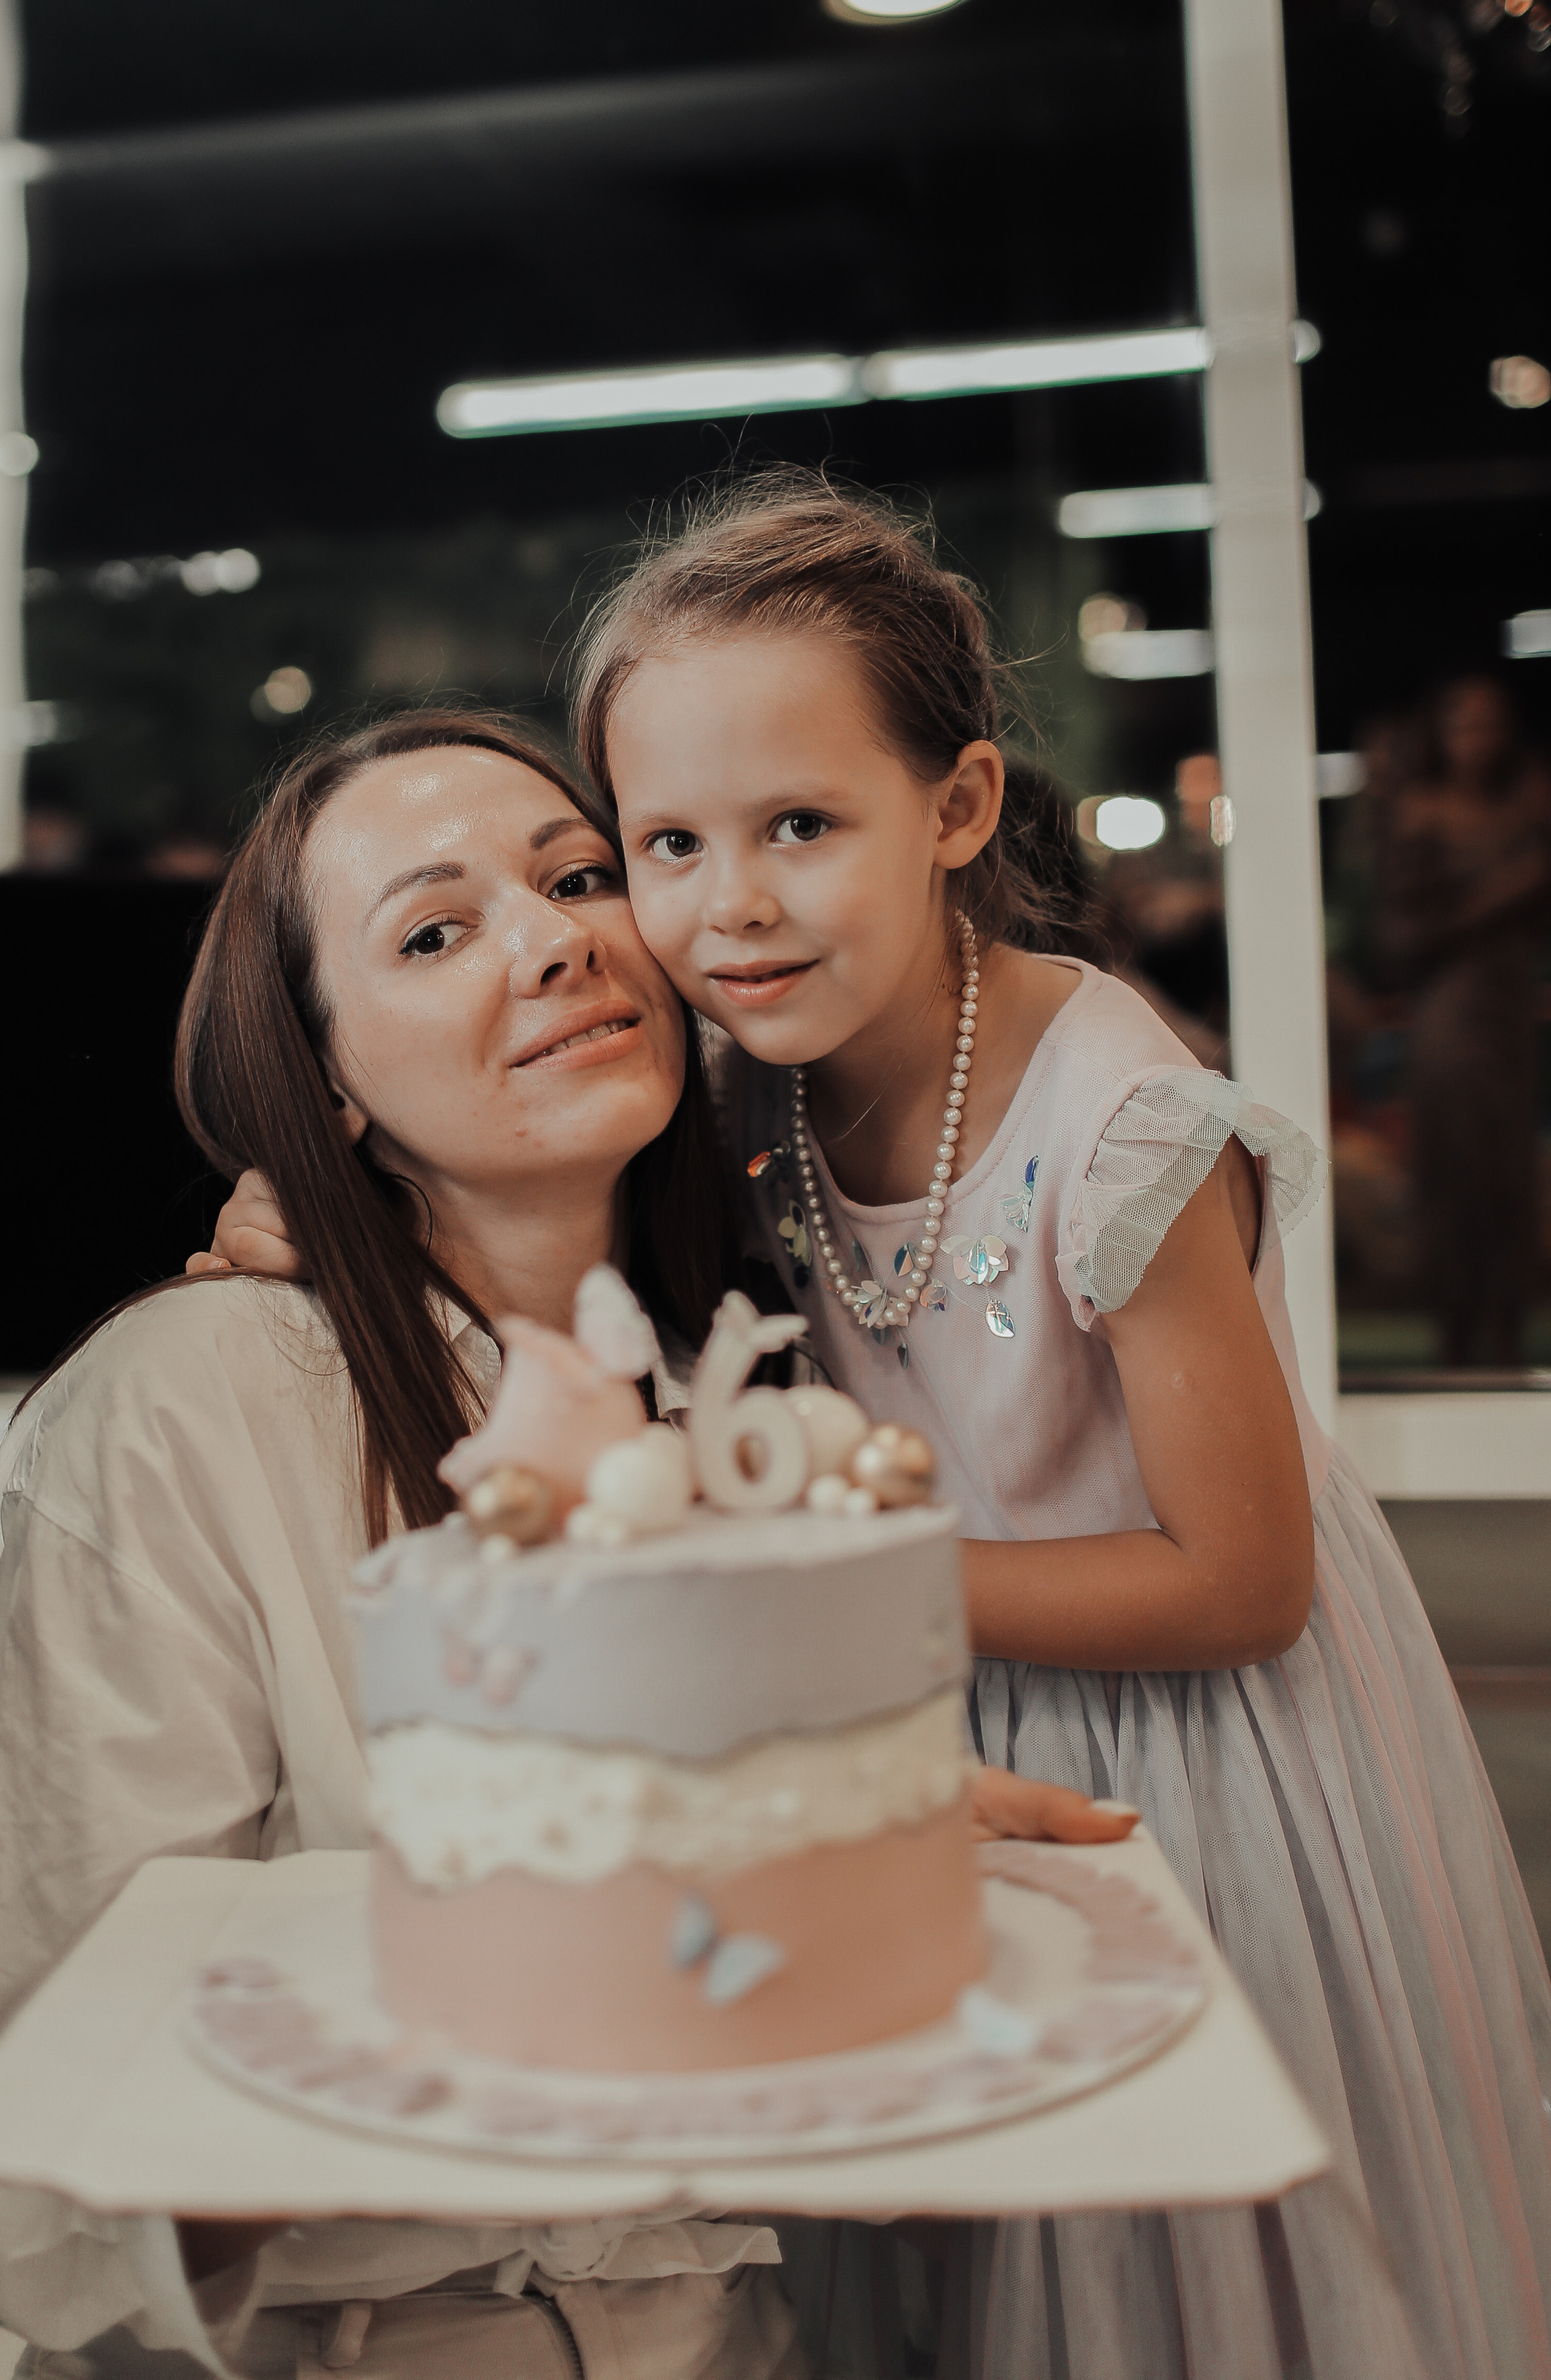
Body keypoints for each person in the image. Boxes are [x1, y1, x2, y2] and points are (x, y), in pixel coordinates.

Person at [210, 480, 1551, 2380]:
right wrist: (316, 1211)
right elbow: (512, 1201)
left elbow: (1241, 1579)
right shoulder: (740, 1080)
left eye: (799, 826)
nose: (725, 902)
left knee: (1171, 2300)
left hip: (1181, 1777)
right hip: (891, 1752)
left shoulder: (1120, 1124)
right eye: (661, 842)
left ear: (956, 807)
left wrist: (818, 1586)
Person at [0, 708, 1132, 2380]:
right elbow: (70, 2143)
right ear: (323, 1077)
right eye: (433, 931)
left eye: (581, 878)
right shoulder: (189, 1403)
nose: (555, 939)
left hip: (734, 2334)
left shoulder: (742, 1390)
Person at [1378, 674, 1551, 1368]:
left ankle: (1508, 1317)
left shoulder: (1524, 808)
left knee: (1511, 1165)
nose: (1479, 739)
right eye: (1464, 724)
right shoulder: (1424, 813)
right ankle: (1456, 1320)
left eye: (1490, 724)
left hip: (1508, 1009)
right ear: (1441, 734)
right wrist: (1513, 887)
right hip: (1449, 1009)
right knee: (1457, 1168)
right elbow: (1402, 935)